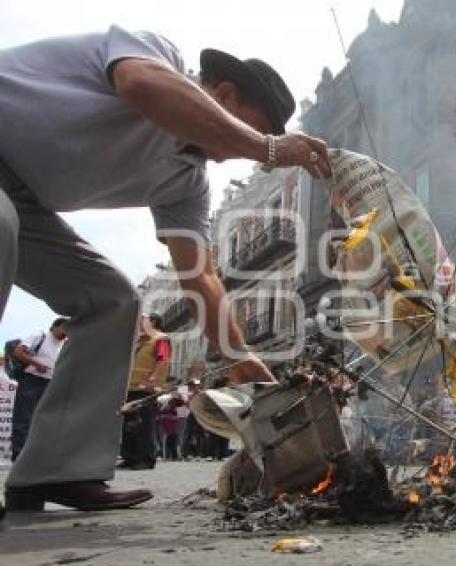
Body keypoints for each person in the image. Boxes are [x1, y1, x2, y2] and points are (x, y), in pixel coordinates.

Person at [0, 27, 331, 513]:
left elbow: (202, 277)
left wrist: (241, 359)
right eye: (247, 130)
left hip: (24, 200)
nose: (230, 152)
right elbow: (140, 86)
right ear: (223, 94)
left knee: (113, 301)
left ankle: (55, 472)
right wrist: (269, 148)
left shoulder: (186, 182)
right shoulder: (156, 56)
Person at [10, 318, 68, 461]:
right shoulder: (40, 336)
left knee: (42, 420)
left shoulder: (64, 344)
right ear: (55, 326)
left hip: (50, 383)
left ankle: (36, 455)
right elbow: (18, 352)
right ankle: (18, 455)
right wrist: (37, 364)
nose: (67, 332)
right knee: (23, 418)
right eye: (65, 328)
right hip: (32, 380)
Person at [119, 314, 170, 470]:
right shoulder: (140, 340)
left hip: (146, 388)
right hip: (130, 387)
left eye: (142, 319)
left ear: (152, 322)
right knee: (128, 424)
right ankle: (130, 457)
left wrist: (153, 379)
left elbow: (164, 359)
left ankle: (146, 459)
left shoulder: (161, 338)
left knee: (144, 425)